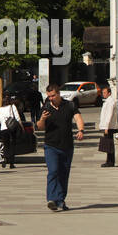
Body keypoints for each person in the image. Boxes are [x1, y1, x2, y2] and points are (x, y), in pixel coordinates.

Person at [36, 82, 84, 210]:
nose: (50, 98)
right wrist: (43, 119)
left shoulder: (69, 105)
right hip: (51, 146)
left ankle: (60, 200)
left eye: (52, 96)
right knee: (53, 171)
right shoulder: (46, 108)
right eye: (49, 96)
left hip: (67, 146)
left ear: (58, 94)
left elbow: (78, 117)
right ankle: (51, 199)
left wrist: (81, 130)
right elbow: (39, 127)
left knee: (64, 174)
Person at [0, 95, 21, 169]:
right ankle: (11, 163)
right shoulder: (12, 107)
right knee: (12, 144)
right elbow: (17, 117)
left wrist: (3, 121)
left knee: (5, 145)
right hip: (12, 128)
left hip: (3, 128)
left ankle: (4, 159)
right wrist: (21, 126)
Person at [98, 83, 118, 167]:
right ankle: (109, 161)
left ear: (109, 93)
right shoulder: (108, 101)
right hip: (108, 126)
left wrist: (106, 127)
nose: (103, 94)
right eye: (103, 93)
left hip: (109, 126)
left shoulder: (110, 102)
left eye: (105, 92)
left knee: (109, 144)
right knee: (108, 143)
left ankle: (110, 162)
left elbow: (109, 115)